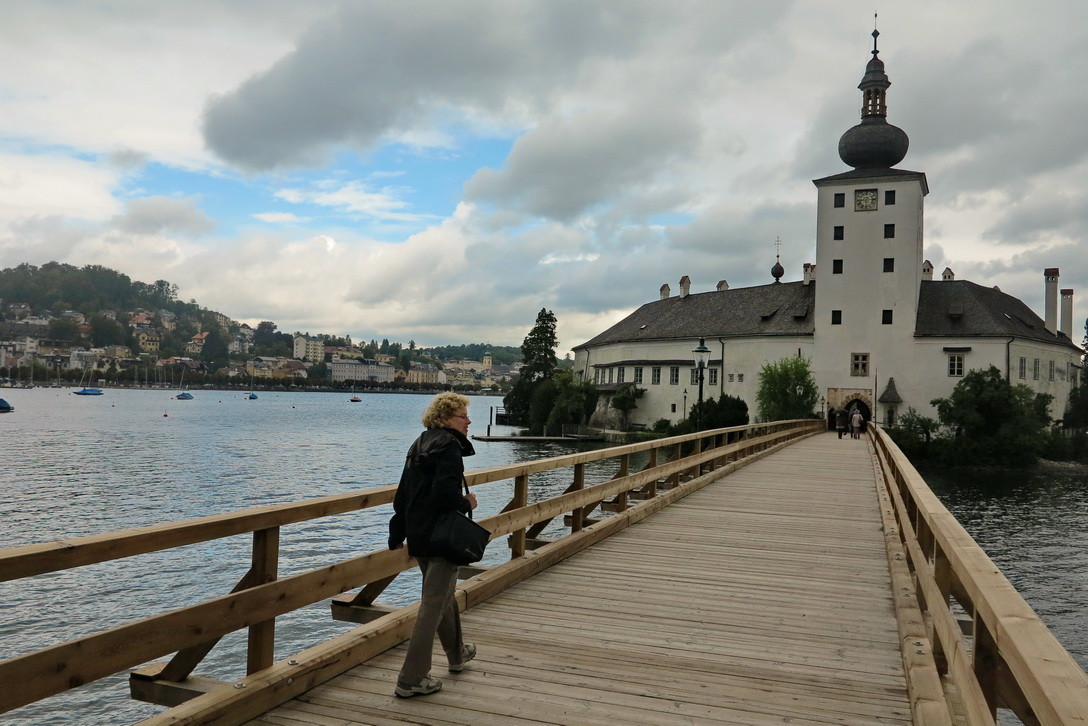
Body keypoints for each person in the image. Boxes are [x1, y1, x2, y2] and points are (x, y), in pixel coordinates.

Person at [388, 392, 479, 698]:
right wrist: (466, 501)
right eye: (462, 416)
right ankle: (411, 678)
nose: (468, 421)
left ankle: (457, 655)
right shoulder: (449, 447)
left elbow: (403, 494)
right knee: (432, 604)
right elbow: (444, 494)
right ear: (445, 420)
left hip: (419, 534)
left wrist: (398, 530)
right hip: (443, 537)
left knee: (443, 595)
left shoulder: (419, 443)